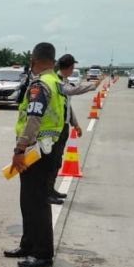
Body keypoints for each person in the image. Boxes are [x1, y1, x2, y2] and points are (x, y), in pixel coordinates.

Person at [4, 42, 65, 267]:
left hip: (36, 151)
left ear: (36, 59)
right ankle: (28, 244)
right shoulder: (57, 82)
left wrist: (19, 150)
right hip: (47, 149)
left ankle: (42, 254)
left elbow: (33, 119)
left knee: (37, 203)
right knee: (28, 201)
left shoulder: (40, 84)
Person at [47, 54, 103, 204]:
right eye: (73, 67)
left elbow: (67, 106)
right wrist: (93, 85)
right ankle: (47, 193)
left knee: (57, 161)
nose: (73, 70)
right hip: (54, 129)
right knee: (52, 162)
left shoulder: (63, 81)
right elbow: (73, 91)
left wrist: (75, 124)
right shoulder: (57, 82)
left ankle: (51, 189)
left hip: (63, 126)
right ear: (69, 67)